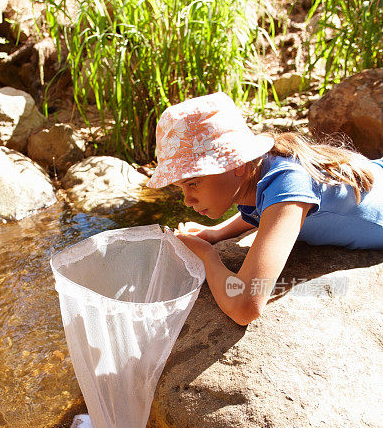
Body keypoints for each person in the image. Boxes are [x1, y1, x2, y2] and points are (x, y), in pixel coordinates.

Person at [147, 92, 383, 325]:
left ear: (236, 165)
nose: (187, 200)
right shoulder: (257, 173)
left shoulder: (289, 181)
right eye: (181, 187)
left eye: (193, 183)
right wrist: (217, 232)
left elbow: (244, 306)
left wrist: (207, 257)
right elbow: (266, 209)